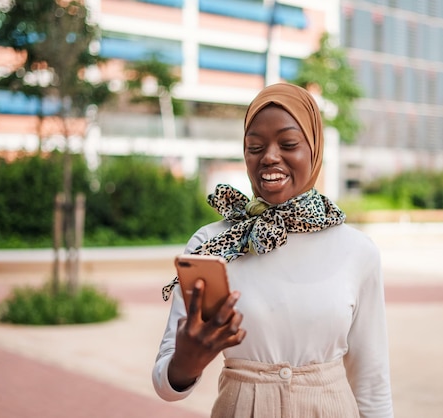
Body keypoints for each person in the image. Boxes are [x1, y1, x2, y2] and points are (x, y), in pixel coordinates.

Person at [152, 83, 394, 418]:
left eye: (289, 143)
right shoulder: (211, 246)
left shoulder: (357, 251)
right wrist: (185, 364)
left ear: (314, 148)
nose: (269, 156)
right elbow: (165, 383)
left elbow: (371, 383)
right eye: (255, 146)